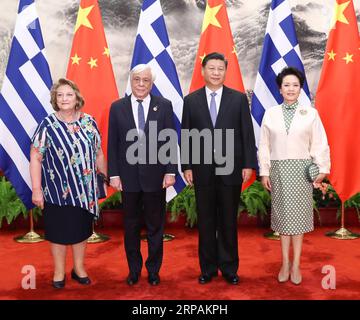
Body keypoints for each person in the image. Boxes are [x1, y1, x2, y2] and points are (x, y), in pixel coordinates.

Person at [181, 52, 257, 285]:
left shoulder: (238, 99)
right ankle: (208, 269)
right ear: (203, 71)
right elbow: (186, 136)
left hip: (231, 169)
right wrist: (187, 166)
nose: (215, 73)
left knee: (227, 221)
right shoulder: (191, 100)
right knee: (205, 221)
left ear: (225, 71)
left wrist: (247, 163)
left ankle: (229, 268)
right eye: (211, 68)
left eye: (220, 69)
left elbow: (246, 133)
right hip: (202, 170)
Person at [30, 78, 107, 289]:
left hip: (84, 191)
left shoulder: (89, 122)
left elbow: (99, 153)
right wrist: (37, 190)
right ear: (55, 99)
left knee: (81, 230)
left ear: (77, 98)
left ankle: (79, 268)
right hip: (55, 192)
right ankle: (58, 271)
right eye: (60, 95)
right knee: (58, 233)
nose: (64, 99)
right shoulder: (47, 124)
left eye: (69, 94)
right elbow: (36, 158)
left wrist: (108, 177)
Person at [258, 66, 330, 285]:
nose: (291, 89)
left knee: (298, 220)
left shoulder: (311, 113)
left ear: (300, 89)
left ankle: (296, 263)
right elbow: (264, 145)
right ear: (280, 89)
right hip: (279, 171)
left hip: (302, 172)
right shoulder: (270, 114)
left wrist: (322, 170)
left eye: (295, 85)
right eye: (286, 85)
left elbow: (319, 143)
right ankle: (284, 263)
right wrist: (264, 172)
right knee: (282, 220)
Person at [107, 64, 177, 286]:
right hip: (128, 179)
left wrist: (170, 171)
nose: (140, 84)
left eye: (145, 80)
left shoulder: (164, 106)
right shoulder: (117, 107)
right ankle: (134, 270)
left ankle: (154, 270)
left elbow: (170, 141)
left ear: (151, 83)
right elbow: (113, 144)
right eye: (137, 79)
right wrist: (114, 174)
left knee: (156, 227)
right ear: (130, 80)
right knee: (131, 227)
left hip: (156, 178)